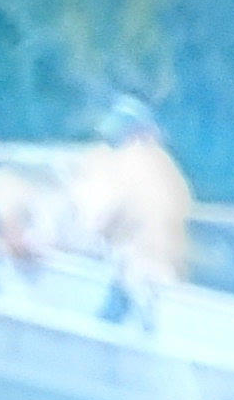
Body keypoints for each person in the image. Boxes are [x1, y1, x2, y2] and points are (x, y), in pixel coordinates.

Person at [64, 96, 194, 335]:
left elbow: (98, 222)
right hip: (169, 280)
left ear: (137, 134)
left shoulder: (128, 163)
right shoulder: (171, 172)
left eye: (121, 135)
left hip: (132, 278)